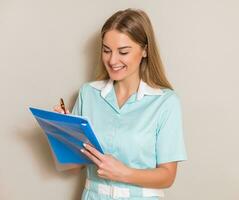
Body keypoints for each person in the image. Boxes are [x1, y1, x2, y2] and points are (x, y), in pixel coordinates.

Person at [54, 8, 187, 200]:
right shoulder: (88, 94)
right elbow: (72, 167)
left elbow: (167, 176)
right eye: (106, 50)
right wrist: (63, 132)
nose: (112, 60)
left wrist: (123, 173)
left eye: (123, 51)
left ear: (145, 50)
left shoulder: (165, 102)